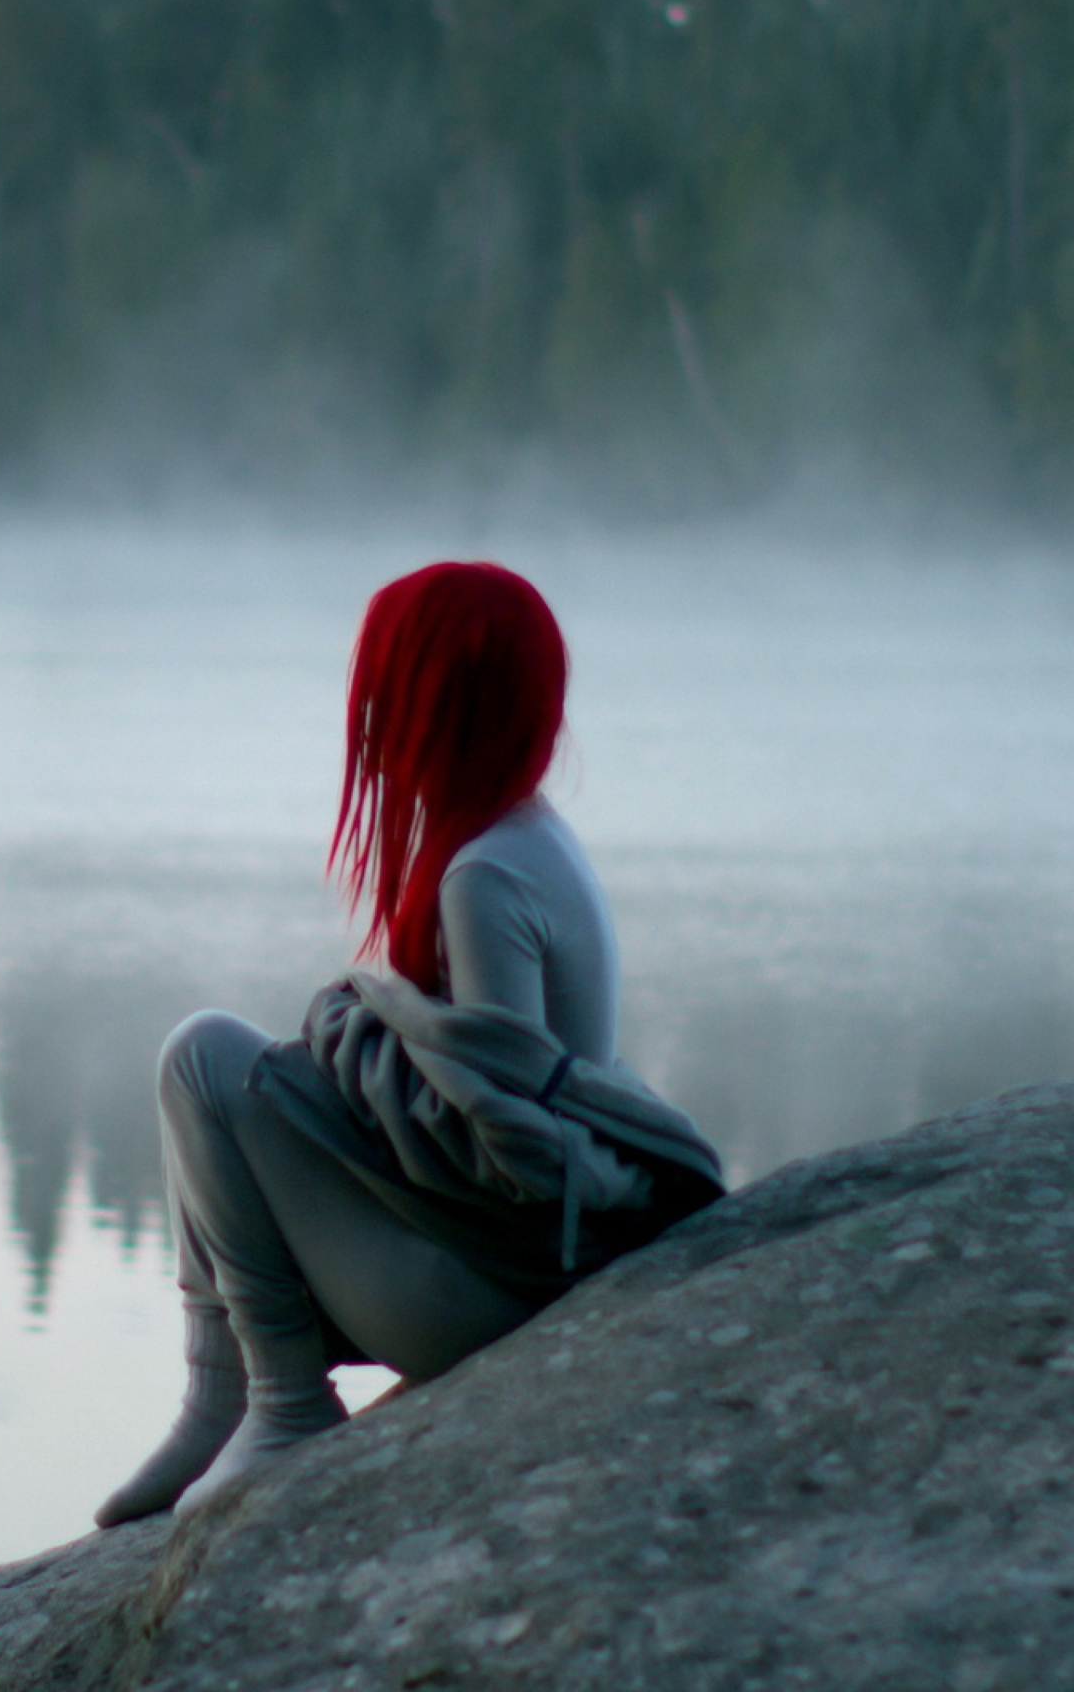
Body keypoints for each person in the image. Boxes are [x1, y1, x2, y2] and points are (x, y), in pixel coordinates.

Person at [95, 560, 725, 1528]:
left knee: (205, 1058)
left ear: (443, 708)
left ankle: (281, 1402)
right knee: (232, 1073)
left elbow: (499, 1150)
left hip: (493, 1284)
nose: (368, 725)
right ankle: (218, 1395)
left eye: (387, 694)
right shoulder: (526, 837)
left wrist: (352, 1039)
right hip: (508, 1263)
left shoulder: (482, 877)